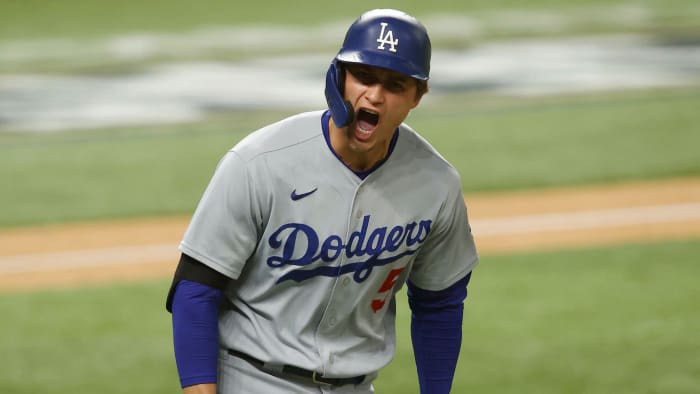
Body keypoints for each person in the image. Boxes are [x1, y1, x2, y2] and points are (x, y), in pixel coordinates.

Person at [166, 8, 479, 394]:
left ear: (419, 94)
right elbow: (195, 290)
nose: (375, 95)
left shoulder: (436, 183)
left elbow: (440, 303)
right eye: (364, 76)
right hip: (251, 379)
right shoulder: (259, 163)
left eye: (395, 84)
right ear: (338, 75)